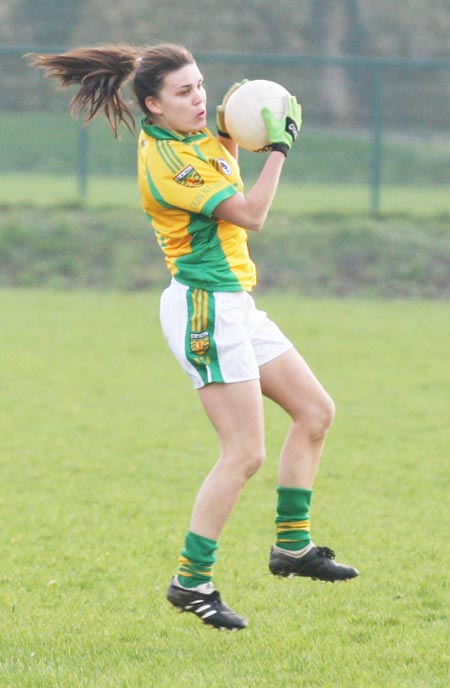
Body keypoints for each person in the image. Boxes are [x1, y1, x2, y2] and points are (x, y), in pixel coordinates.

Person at [29, 43, 359, 632]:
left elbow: (227, 148)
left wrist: (240, 119)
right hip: (205, 309)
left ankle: (293, 545)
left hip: (236, 304)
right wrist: (280, 148)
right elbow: (250, 213)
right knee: (244, 454)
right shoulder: (168, 162)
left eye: (202, 85)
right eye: (184, 93)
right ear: (153, 105)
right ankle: (191, 581)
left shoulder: (195, 136)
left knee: (315, 412)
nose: (199, 98)